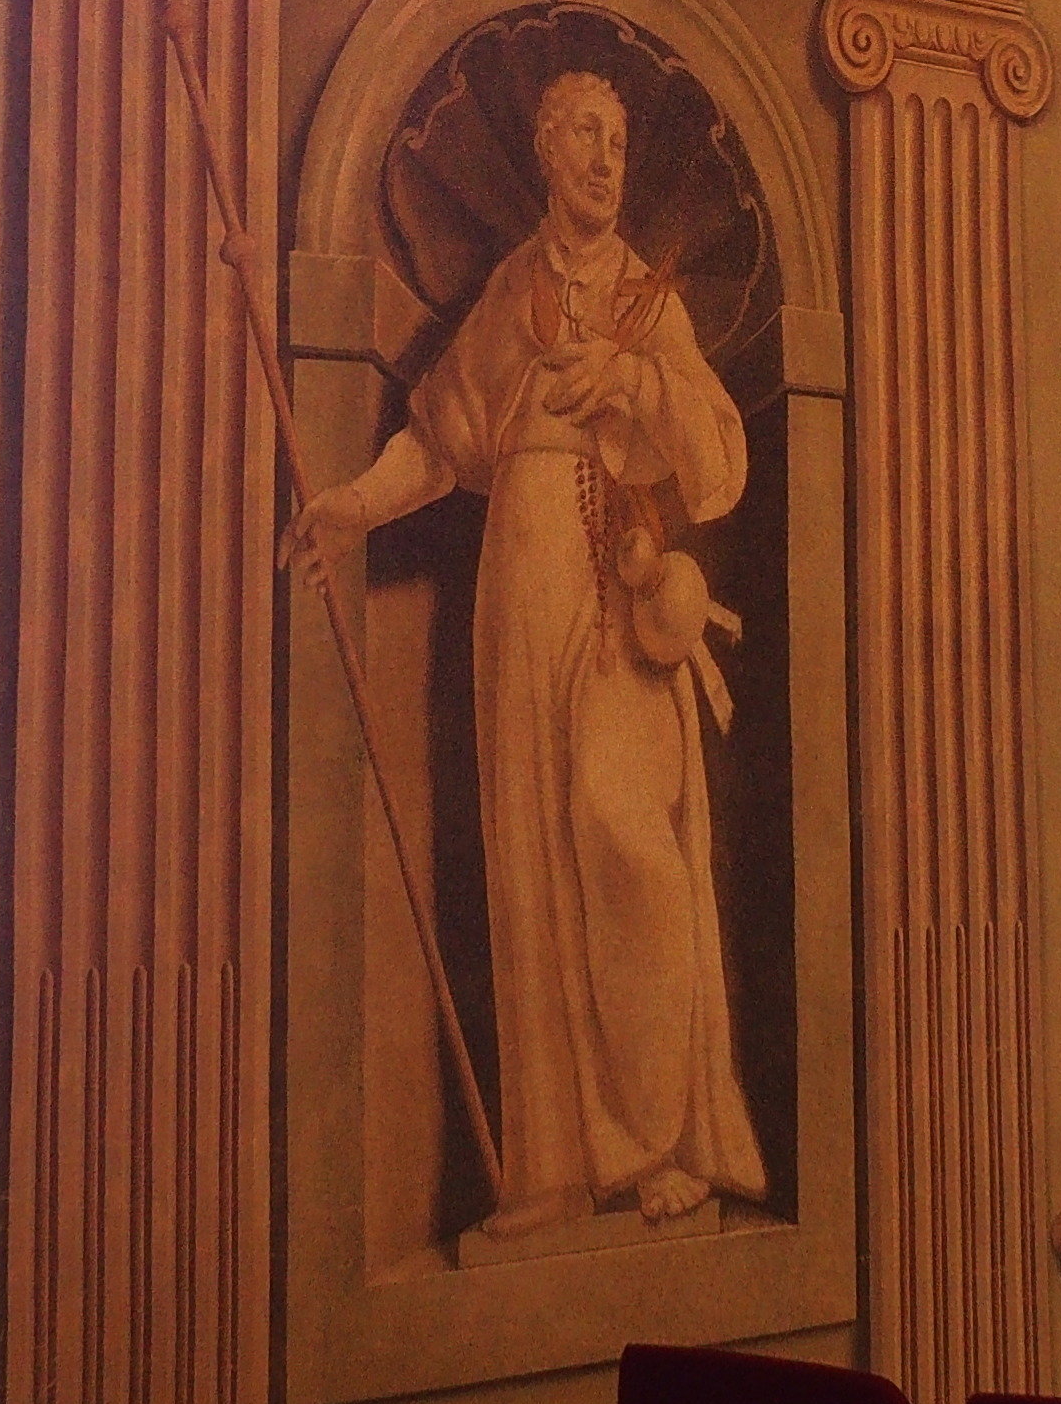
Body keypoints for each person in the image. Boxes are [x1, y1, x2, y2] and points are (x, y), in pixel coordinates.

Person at [284, 70, 767, 1238]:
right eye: (585, 137)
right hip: (520, 575)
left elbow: (719, 458)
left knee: (625, 836)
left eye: (617, 142)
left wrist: (635, 380)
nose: (605, 160)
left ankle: (667, 1138)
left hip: (615, 582)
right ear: (546, 152)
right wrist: (352, 506)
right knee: (530, 851)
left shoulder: (648, 300)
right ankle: (553, 1168)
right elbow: (442, 439)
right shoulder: (510, 294)